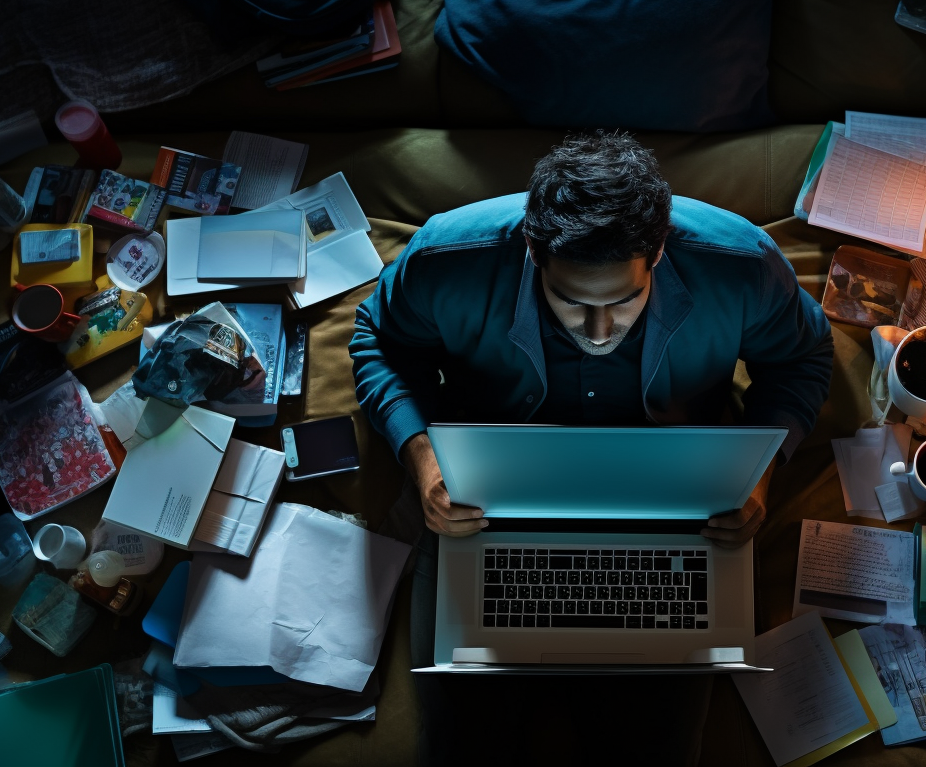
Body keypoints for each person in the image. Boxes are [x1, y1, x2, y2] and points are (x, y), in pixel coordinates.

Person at [350, 131, 835, 765]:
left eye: (624, 301)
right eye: (571, 304)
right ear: (532, 252)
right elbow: (379, 341)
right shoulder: (449, 254)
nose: (598, 333)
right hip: (488, 508)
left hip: (674, 514)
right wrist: (423, 458)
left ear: (657, 252)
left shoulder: (740, 262)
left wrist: (762, 476)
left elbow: (801, 358)